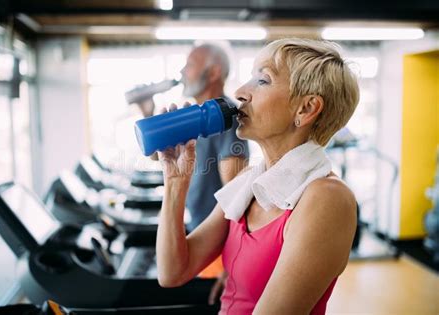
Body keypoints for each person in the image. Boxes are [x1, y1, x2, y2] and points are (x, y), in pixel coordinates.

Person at [156, 38, 359, 314]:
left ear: (307, 108)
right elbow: (172, 272)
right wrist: (175, 181)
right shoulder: (250, 182)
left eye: (263, 80)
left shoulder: (327, 199)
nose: (240, 91)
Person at [137, 43, 249, 232]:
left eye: (190, 65)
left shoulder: (226, 119)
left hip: (210, 235)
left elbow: (234, 194)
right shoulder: (193, 116)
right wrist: (148, 112)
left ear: (213, 72)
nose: (182, 71)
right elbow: (156, 155)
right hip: (193, 222)